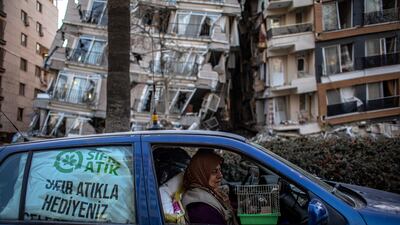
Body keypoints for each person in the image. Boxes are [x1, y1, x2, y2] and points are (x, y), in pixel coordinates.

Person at [182, 150, 238, 225]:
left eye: (220, 170)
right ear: (201, 173)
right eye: (214, 171)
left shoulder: (209, 190)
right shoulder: (200, 207)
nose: (220, 175)